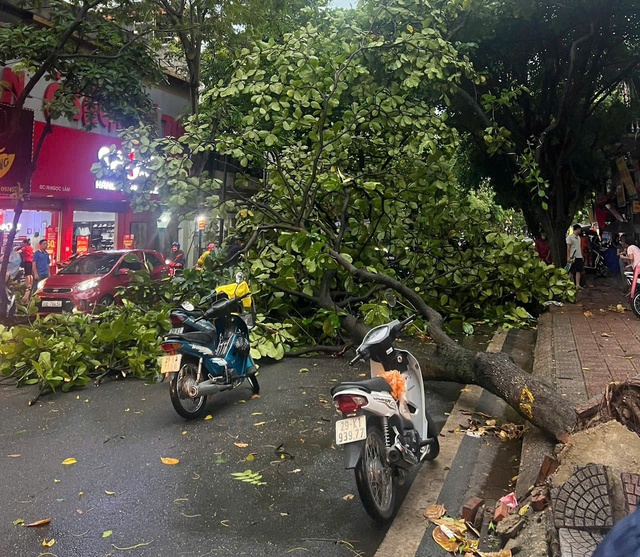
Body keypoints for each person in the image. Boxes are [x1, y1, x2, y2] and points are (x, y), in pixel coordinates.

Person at [621, 235, 640, 300]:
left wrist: (623, 257)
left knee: (634, 281)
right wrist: (627, 266)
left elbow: (631, 258)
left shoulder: (630, 248)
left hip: (638, 267)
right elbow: (635, 259)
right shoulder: (635, 247)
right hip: (638, 265)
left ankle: (632, 296)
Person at [566, 224, 584, 289]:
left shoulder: (579, 238)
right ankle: (568, 284)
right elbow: (568, 248)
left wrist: (582, 255)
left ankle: (577, 284)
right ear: (577, 229)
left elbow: (579, 247)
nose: (580, 231)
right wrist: (568, 257)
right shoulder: (570, 237)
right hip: (572, 256)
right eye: (579, 230)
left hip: (579, 256)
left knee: (578, 270)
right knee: (571, 271)